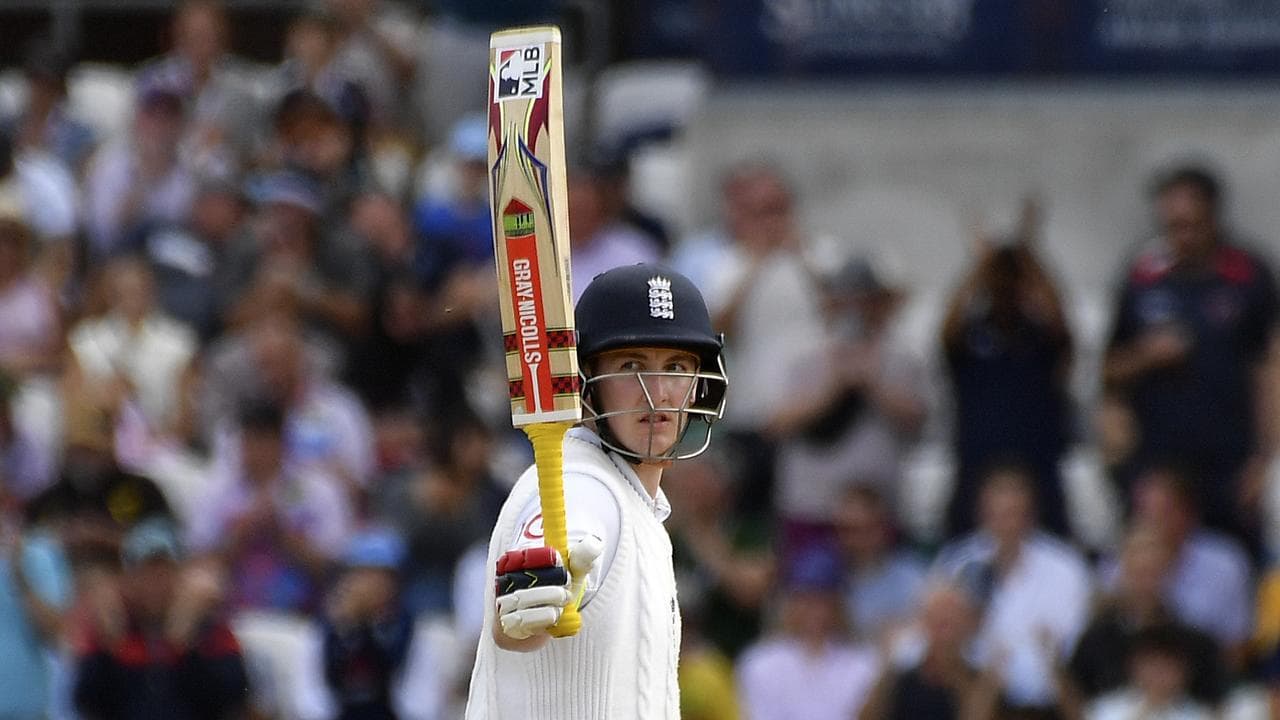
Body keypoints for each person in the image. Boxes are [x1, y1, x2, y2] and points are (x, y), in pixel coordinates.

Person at [465, 263, 729, 719]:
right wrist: (537, 593)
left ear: (698, 386)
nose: (658, 392)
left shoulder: (635, 500)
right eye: (631, 366)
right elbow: (525, 605)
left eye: (676, 367)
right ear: (584, 383)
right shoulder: (583, 485)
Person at [1103, 165, 1278, 548]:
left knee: (1234, 557)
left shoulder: (1248, 275)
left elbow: (1269, 369)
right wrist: (1146, 355)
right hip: (1158, 460)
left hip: (1228, 460)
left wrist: (1264, 458)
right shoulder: (1142, 277)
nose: (1181, 236)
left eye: (1191, 225)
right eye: (1172, 226)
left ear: (1213, 218)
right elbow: (1110, 371)